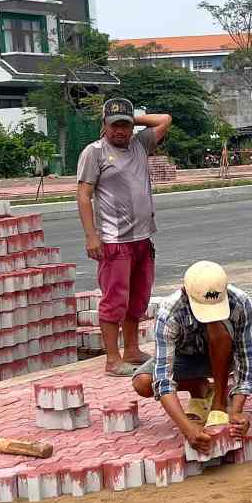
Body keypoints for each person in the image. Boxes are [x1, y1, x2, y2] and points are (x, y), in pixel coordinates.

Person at [76, 97, 172, 376]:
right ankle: (112, 358)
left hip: (143, 238)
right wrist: (91, 236)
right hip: (114, 241)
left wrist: (134, 118)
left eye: (125, 126)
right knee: (114, 299)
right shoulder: (94, 152)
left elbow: (165, 118)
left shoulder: (140, 145)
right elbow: (83, 195)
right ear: (103, 126)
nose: (120, 131)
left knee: (138, 298)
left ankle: (131, 349)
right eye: (114, 125)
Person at [131, 261, 252, 452]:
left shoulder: (239, 301)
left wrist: (237, 411)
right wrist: (187, 428)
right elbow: (163, 380)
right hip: (184, 358)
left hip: (224, 356)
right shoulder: (169, 311)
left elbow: (246, 360)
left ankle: (220, 402)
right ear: (185, 292)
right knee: (143, 382)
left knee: (217, 328)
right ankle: (201, 388)